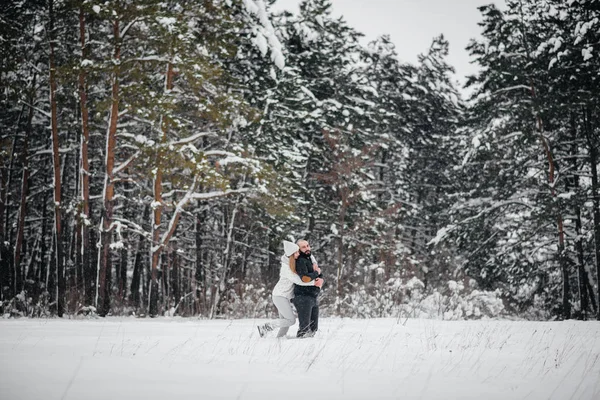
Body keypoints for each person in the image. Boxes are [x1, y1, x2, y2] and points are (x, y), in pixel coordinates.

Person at [257, 240, 323, 338]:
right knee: (291, 320)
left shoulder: (291, 263)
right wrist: (316, 281)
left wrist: (313, 262)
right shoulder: (287, 268)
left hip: (283, 296)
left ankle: (278, 341)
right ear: (291, 254)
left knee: (285, 323)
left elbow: (310, 256)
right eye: (296, 252)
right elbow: (300, 281)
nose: (298, 254)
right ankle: (266, 327)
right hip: (280, 296)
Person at [292, 239, 322, 338]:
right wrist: (317, 273)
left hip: (313, 296)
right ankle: (297, 349)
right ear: (298, 249)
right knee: (304, 329)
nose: (307, 248)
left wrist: (320, 279)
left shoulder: (311, 259)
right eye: (303, 247)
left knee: (313, 329)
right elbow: (305, 278)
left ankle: (309, 350)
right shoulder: (300, 261)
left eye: (308, 246)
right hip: (303, 297)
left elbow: (317, 275)